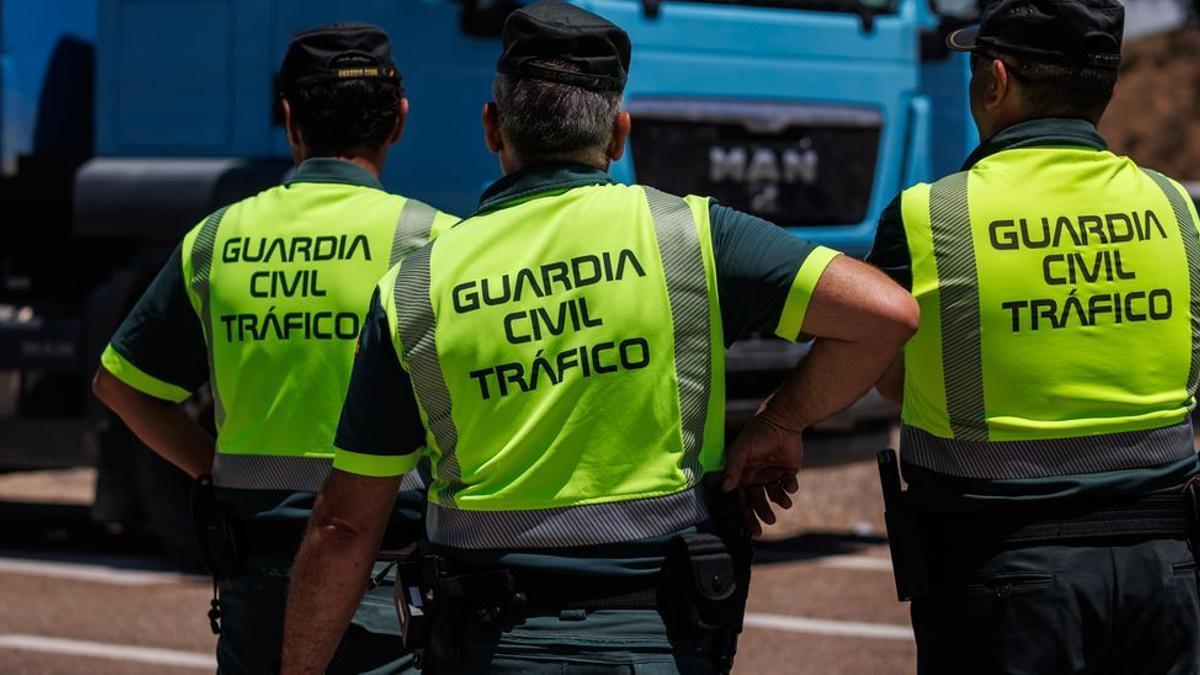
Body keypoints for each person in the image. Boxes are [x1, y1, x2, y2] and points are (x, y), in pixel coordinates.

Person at [280, 3, 917, 673]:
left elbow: (344, 526)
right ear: (619, 134)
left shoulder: (416, 286)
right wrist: (781, 419)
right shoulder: (690, 237)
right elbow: (886, 314)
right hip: (660, 642)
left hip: (492, 645)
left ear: (492, 127)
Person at [91, 23, 457, 674]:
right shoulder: (437, 243)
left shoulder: (216, 238)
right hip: (387, 578)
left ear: (288, 120)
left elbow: (121, 383)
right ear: (398, 121)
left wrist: (209, 464)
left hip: (255, 582)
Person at [866, 1, 1200, 672]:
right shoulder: (1175, 207)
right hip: (1168, 575)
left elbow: (890, 375)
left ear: (994, 80)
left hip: (1003, 578)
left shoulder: (930, 215)